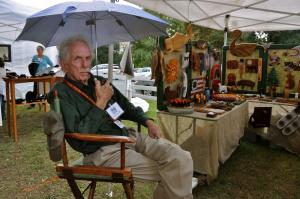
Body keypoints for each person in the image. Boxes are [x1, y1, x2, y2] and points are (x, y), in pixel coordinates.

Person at [47, 36, 194, 199]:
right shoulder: (60, 94)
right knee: (174, 170)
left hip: (127, 136)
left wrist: (147, 121)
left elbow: (125, 105)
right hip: (102, 153)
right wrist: (101, 101)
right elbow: (80, 139)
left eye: (88, 58)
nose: (85, 64)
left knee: (182, 158)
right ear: (64, 64)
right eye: (78, 59)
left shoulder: (99, 81)